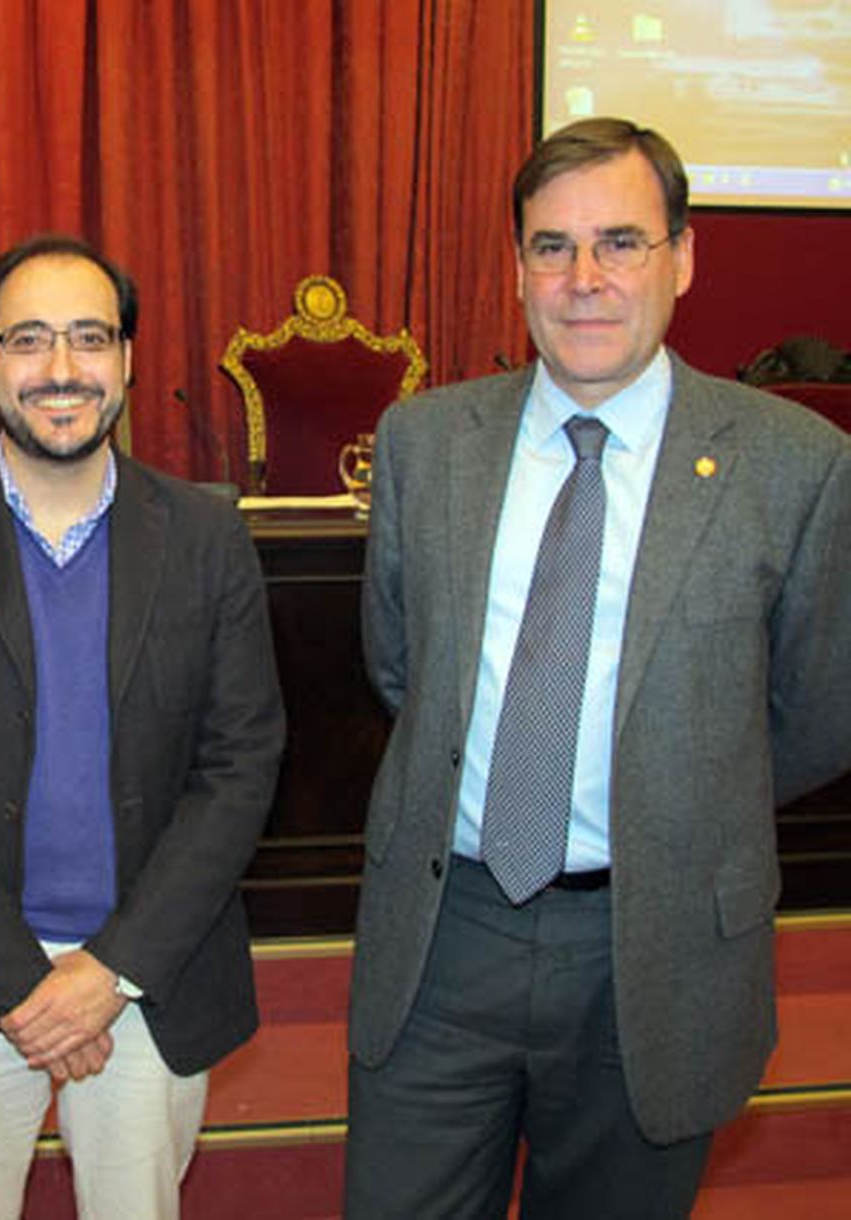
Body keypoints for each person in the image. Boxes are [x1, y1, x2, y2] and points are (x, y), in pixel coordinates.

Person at [345, 116, 851, 1218]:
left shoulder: (796, 464)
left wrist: (682, 794)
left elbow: (816, 711)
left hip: (655, 947)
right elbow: (401, 665)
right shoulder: (423, 444)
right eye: (550, 246)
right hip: (444, 935)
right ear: (515, 264)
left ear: (681, 255)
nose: (583, 279)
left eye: (619, 242)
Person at [0, 234, 285, 1219]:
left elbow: (239, 766)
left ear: (126, 359)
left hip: (146, 979)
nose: (62, 369)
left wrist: (108, 971)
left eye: (90, 337)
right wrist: (20, 985)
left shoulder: (207, 539)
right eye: (27, 340)